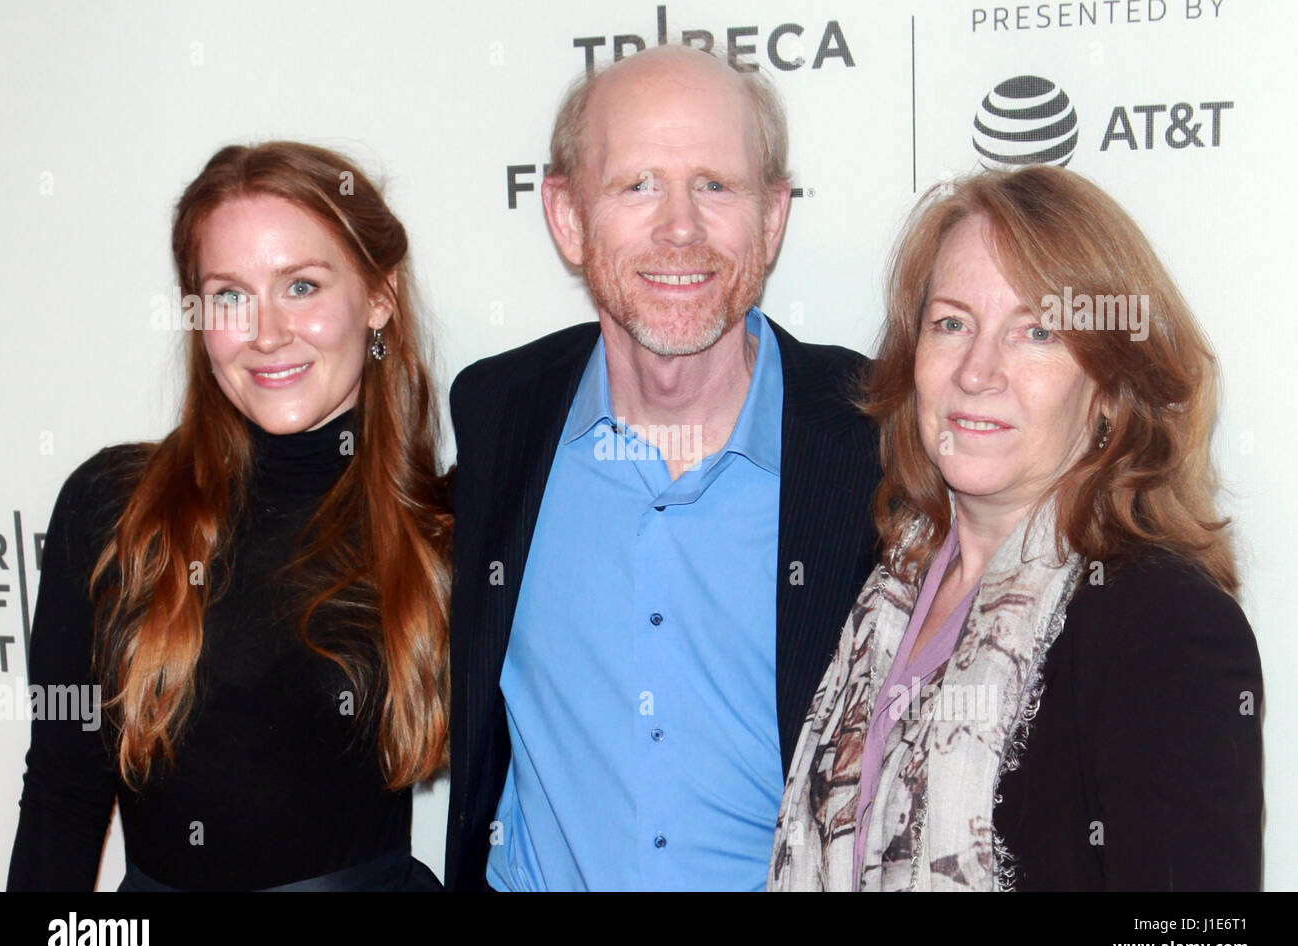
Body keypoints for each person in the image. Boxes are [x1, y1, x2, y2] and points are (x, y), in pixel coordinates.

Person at [445, 45, 882, 891]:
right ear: (568, 218)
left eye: (716, 186)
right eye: (637, 184)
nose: (679, 227)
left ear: (773, 217)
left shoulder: (874, 433)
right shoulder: (500, 414)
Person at [767, 165, 1264, 891]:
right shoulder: (882, 587)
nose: (977, 371)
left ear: (1109, 388)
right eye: (951, 324)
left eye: (1035, 331)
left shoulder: (1161, 623)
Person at [7, 141, 452, 891]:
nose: (266, 332)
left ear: (378, 296)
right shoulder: (113, 507)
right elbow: (62, 796)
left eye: (302, 286)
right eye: (229, 296)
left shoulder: (443, 527)